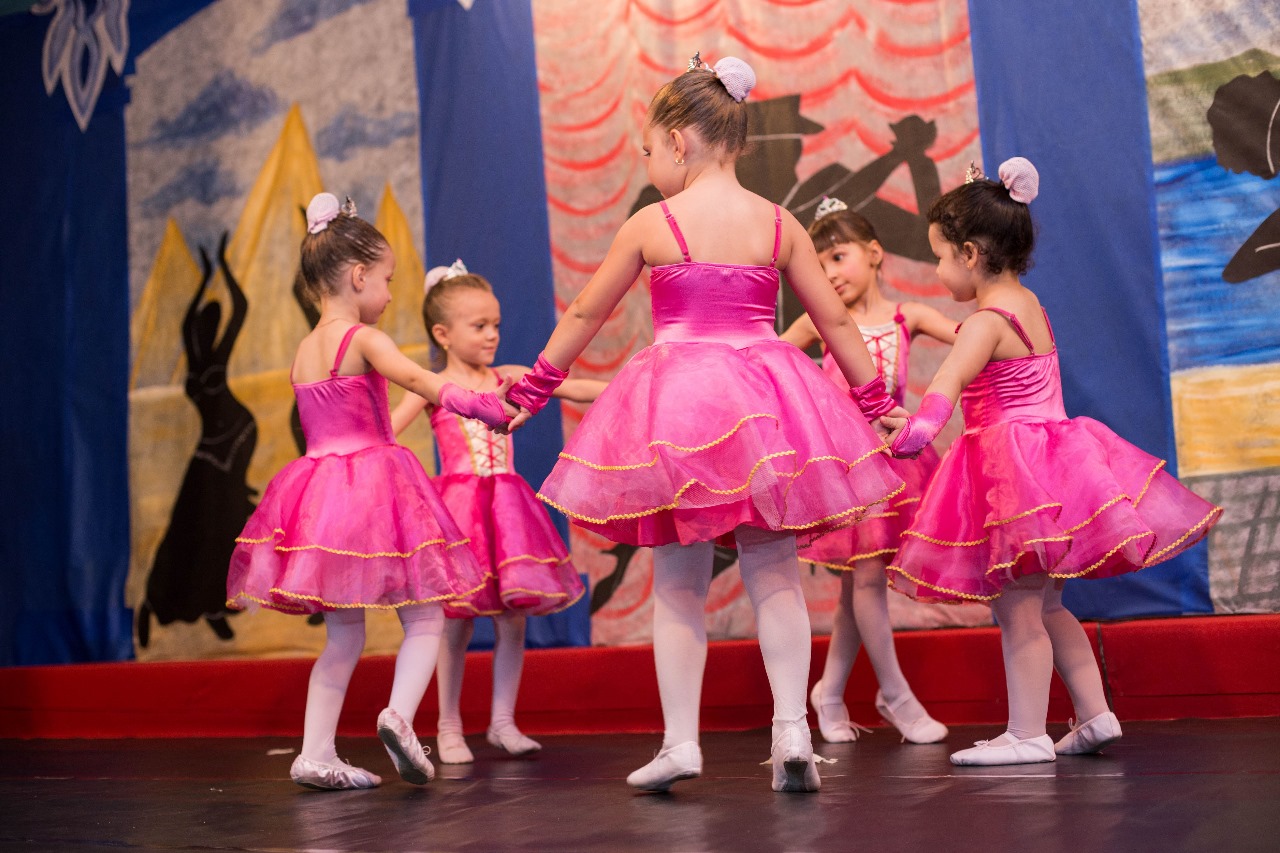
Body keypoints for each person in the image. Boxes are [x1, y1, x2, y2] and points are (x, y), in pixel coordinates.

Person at [501, 54, 906, 793]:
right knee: (774, 568)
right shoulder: (779, 223)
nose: (651, 161)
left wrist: (537, 384)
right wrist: (879, 404)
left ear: (680, 143)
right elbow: (836, 322)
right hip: (763, 402)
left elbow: (586, 312)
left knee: (678, 581)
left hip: (680, 405)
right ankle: (792, 730)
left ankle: (681, 740)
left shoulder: (654, 222)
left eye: (650, 149)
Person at [882, 159, 1223, 766]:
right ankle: (1095, 715)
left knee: (1017, 611)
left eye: (938, 258)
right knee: (1048, 605)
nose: (935, 272)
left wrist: (907, 438)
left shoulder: (984, 321)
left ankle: (1026, 732)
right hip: (1056, 468)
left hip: (1014, 474)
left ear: (969, 252)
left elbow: (945, 392)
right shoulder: (1029, 303)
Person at [226, 193, 519, 790]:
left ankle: (315, 751)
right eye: (385, 280)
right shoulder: (362, 339)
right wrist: (481, 406)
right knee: (426, 615)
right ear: (358, 277)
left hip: (316, 495)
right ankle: (399, 716)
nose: (388, 294)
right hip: (373, 485)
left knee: (343, 635)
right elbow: (421, 379)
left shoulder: (305, 350)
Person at [390, 260, 601, 763]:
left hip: (508, 511)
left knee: (513, 618)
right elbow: (385, 432)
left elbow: (573, 388)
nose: (491, 335)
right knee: (455, 623)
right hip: (459, 512)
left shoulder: (508, 377)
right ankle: (447, 727)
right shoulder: (432, 387)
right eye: (479, 326)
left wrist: (642, 386)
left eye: (496, 325)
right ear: (442, 333)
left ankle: (503, 721)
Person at [780, 199, 954, 745]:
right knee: (867, 577)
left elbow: (973, 337)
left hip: (899, 464)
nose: (830, 273)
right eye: (820, 263)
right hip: (846, 468)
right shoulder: (818, 322)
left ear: (875, 253)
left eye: (838, 256)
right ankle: (894, 695)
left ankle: (829, 692)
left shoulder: (909, 316)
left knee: (863, 580)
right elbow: (767, 363)